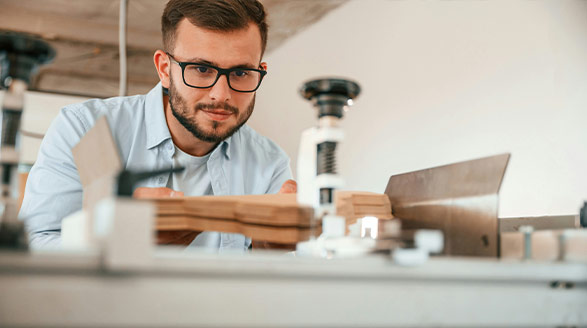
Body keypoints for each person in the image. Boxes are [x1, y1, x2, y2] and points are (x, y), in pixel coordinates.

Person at [19, 0, 297, 250]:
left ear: (259, 72)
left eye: (240, 73)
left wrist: (268, 253)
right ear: (165, 69)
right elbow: (31, 245)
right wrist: (119, 235)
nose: (221, 94)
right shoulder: (88, 131)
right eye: (201, 69)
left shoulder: (270, 164)